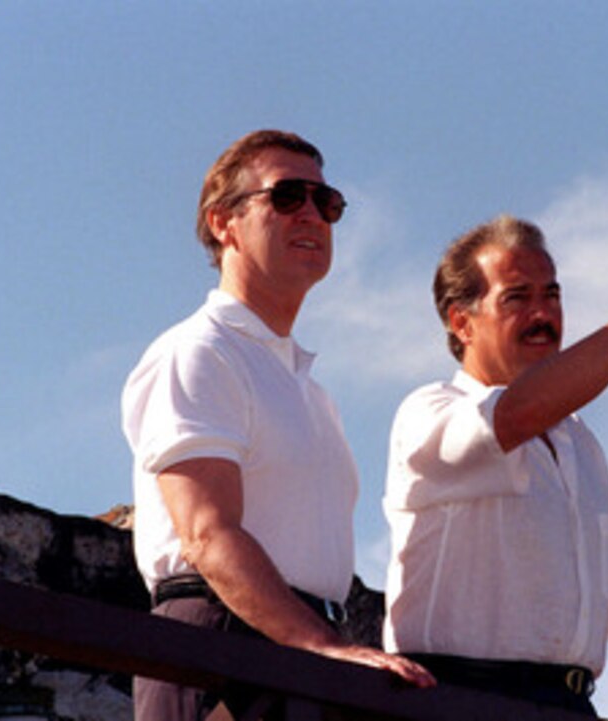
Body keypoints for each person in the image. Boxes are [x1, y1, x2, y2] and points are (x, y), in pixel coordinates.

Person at [122, 129, 434, 721]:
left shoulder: (310, 391)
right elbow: (207, 534)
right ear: (224, 222)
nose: (313, 215)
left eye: (328, 202)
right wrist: (321, 645)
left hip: (299, 653)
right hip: (222, 647)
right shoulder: (198, 351)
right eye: (288, 196)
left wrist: (324, 651)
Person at [383, 210, 608, 718]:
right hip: (458, 702)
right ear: (461, 321)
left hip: (567, 706)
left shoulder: (578, 445)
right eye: (517, 297)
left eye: (551, 295)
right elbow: (517, 413)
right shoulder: (429, 414)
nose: (542, 314)